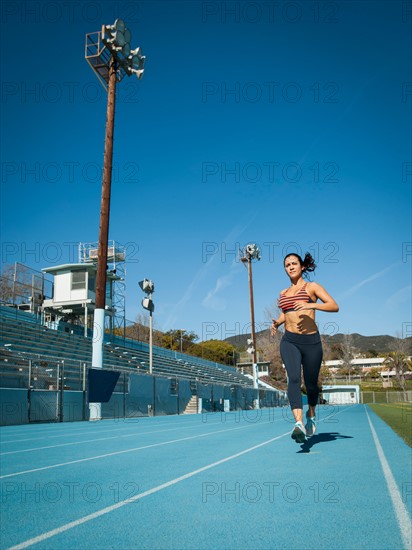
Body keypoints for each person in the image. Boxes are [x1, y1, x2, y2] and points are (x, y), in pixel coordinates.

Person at [271, 252, 339, 443]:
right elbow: (288, 313)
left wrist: (312, 305)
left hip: (311, 342)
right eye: (287, 265)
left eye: (294, 263)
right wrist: (277, 322)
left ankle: (311, 414)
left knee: (310, 384)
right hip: (289, 340)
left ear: (302, 267)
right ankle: (298, 423)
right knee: (293, 378)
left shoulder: (312, 287)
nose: (290, 267)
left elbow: (334, 306)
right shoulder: (283, 293)